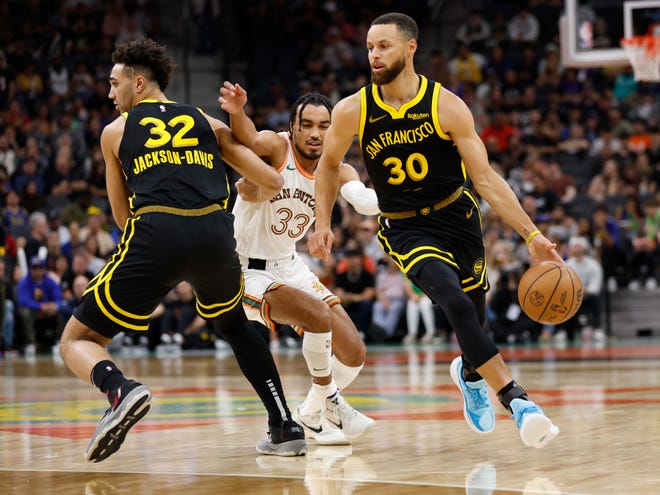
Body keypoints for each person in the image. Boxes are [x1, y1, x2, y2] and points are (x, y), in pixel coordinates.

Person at [309, 12, 561, 449]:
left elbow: (485, 180)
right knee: (455, 302)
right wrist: (323, 222)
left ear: (410, 48)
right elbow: (328, 166)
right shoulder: (352, 109)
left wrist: (531, 235)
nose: (374, 54)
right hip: (406, 228)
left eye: (383, 45)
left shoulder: (447, 105)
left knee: (475, 319)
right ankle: (518, 401)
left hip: (457, 218)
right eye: (370, 46)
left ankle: (469, 374)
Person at [57, 39, 307, 463]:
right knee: (234, 325)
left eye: (114, 83)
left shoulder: (114, 133)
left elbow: (122, 218)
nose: (109, 92)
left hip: (156, 229)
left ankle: (121, 390)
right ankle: (284, 425)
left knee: (77, 338)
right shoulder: (209, 123)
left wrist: (164, 254)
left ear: (138, 84)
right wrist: (238, 191)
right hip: (214, 233)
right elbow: (271, 181)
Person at [218, 86, 377, 445]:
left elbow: (364, 201)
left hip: (288, 265)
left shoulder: (336, 167)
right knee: (317, 316)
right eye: (307, 125)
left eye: (324, 126)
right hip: (244, 269)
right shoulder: (278, 148)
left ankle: (312, 410)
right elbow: (247, 136)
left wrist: (405, 195)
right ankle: (332, 401)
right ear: (292, 128)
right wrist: (238, 111)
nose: (316, 133)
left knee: (353, 352)